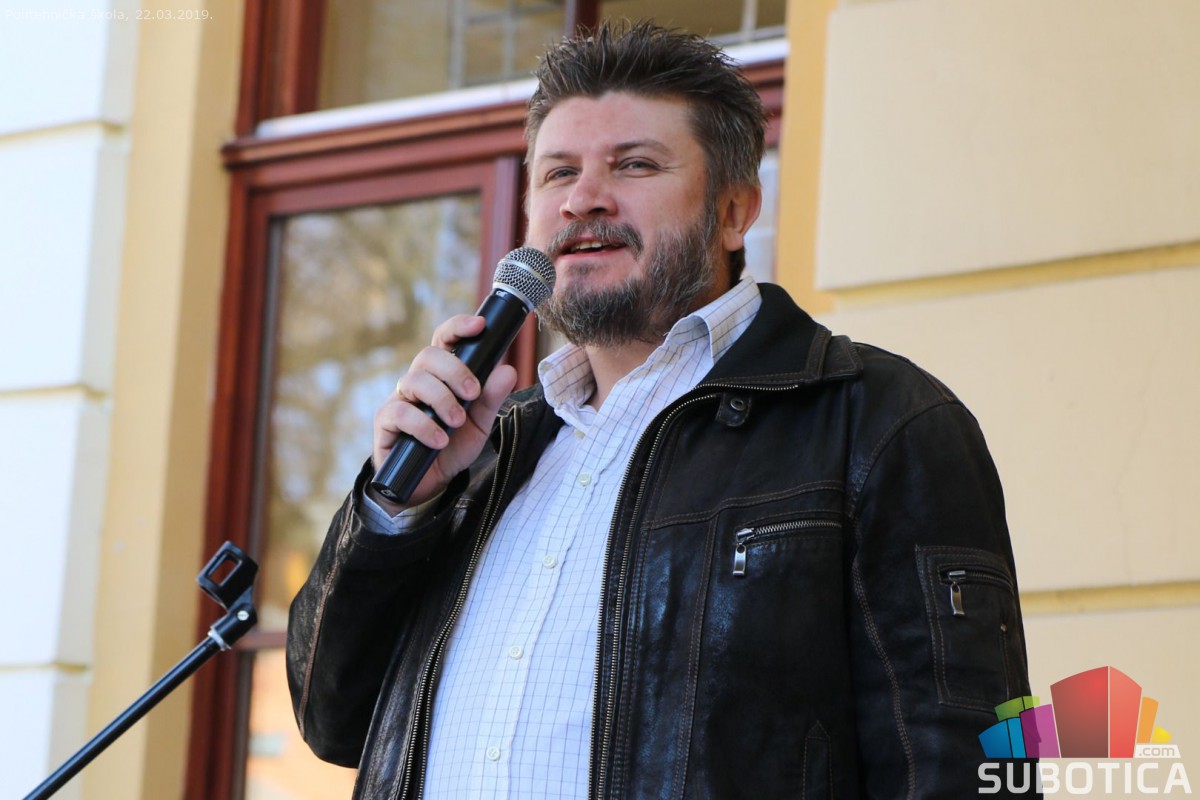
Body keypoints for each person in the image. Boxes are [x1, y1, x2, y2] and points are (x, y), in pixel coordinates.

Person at [287, 20, 1034, 799]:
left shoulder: (879, 422)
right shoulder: (481, 455)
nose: (583, 199)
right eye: (558, 173)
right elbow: (332, 720)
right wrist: (399, 509)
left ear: (735, 211)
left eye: (634, 164)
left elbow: (983, 763)